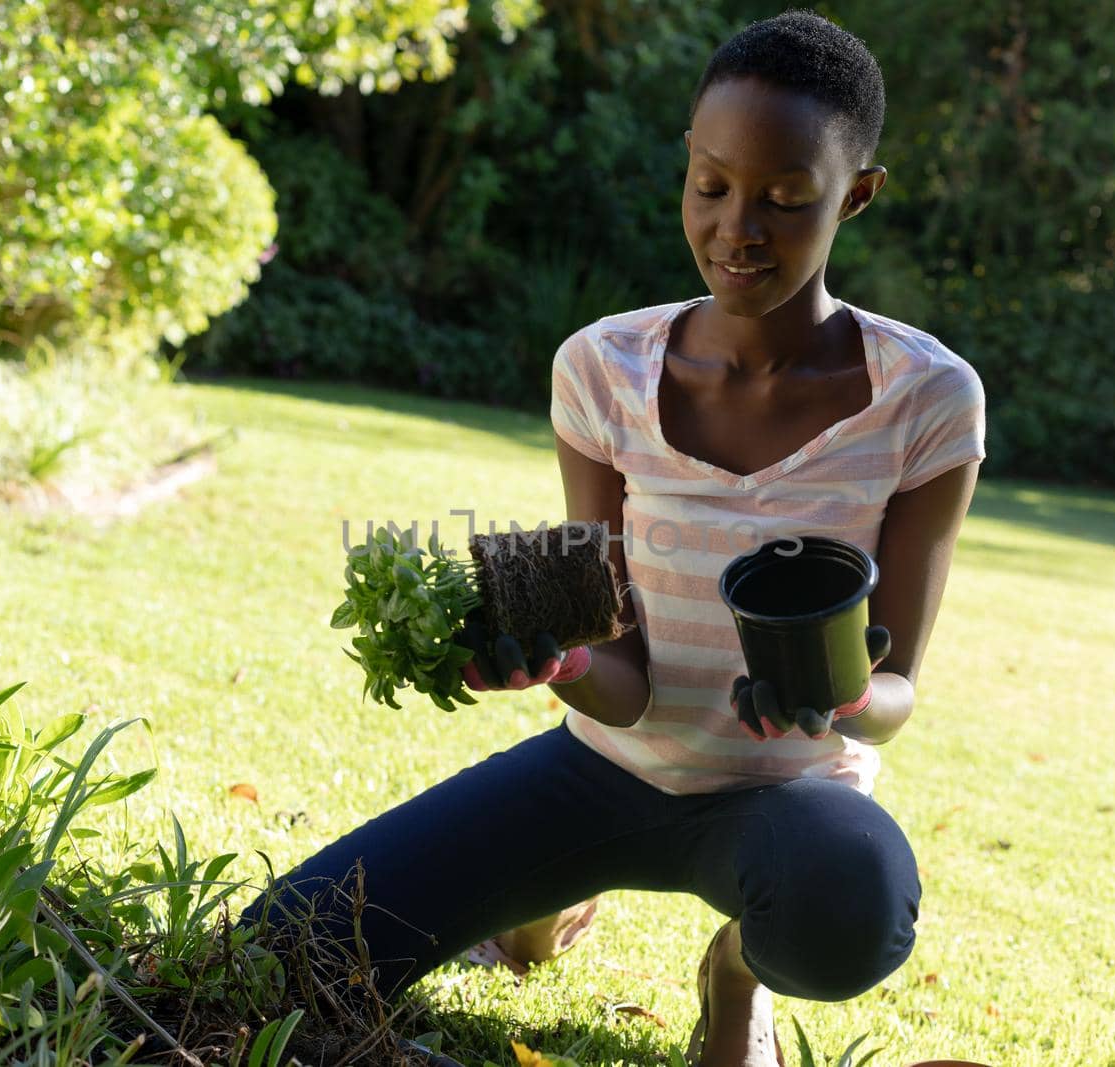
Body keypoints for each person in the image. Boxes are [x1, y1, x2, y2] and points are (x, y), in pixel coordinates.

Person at [241, 10, 986, 1066]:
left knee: (848, 910)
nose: (739, 228)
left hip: (790, 809)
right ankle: (543, 894)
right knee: (282, 957)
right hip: (599, 773)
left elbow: (898, 680)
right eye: (712, 185)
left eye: (785, 199)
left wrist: (846, 691)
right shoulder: (603, 368)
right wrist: (564, 657)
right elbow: (623, 674)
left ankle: (737, 967)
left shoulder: (925, 399)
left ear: (854, 194)